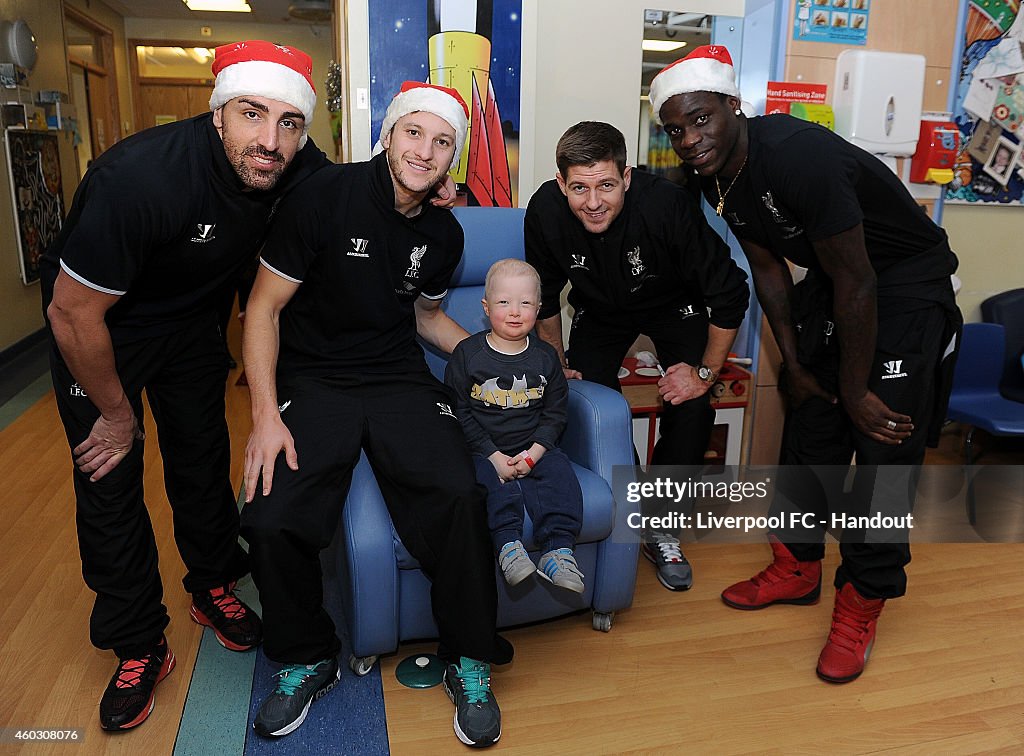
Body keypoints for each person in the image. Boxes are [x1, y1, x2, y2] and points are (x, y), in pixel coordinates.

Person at [40, 40, 331, 731]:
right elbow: (71, 312)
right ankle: (138, 640)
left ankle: (212, 584)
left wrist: (430, 187)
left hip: (193, 327)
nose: (270, 139)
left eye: (289, 122)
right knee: (109, 478)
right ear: (219, 115)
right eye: (252, 115)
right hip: (100, 330)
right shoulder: (137, 179)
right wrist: (114, 414)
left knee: (201, 462)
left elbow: (353, 194)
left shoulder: (291, 164)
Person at [650, 44, 962, 683]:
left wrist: (856, 388)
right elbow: (767, 268)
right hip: (837, 282)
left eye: (702, 119)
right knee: (810, 424)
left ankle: (861, 603)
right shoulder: (718, 176)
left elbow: (859, 281)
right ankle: (796, 565)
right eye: (676, 129)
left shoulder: (798, 156)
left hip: (901, 285)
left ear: (734, 106)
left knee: (880, 448)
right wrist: (794, 364)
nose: (690, 138)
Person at [240, 81, 509, 747]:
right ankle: (306, 658)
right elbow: (264, 309)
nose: (425, 150)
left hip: (396, 377)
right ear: (388, 135)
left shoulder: (444, 235)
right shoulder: (322, 197)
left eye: (442, 141)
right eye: (413, 133)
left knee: (458, 493)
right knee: (271, 513)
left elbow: (425, 318)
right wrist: (266, 415)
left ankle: (469, 658)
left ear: (452, 157)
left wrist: (494, 354)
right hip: (315, 376)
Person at [524, 121, 750, 591]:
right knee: (589, 401)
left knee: (691, 407)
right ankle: (628, 509)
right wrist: (556, 361)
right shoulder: (545, 210)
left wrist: (704, 372)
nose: (593, 202)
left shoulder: (667, 206)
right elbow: (544, 297)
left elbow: (730, 294)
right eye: (579, 187)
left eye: (606, 185)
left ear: (626, 177)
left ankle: (662, 524)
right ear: (561, 182)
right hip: (601, 309)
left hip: (674, 304)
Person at [445, 259, 585, 593]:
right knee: (486, 483)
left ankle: (558, 551)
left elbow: (555, 413)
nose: (514, 311)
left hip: (533, 444)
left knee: (561, 475)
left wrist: (535, 454)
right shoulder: (467, 355)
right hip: (483, 448)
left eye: (525, 303)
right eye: (504, 302)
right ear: (486, 306)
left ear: (538, 308)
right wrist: (493, 456)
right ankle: (509, 546)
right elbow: (458, 411)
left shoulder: (545, 357)